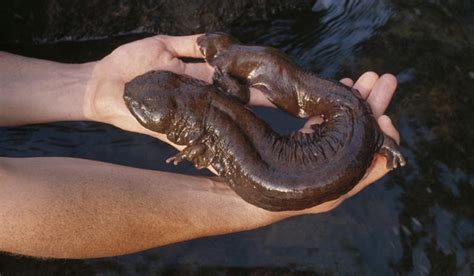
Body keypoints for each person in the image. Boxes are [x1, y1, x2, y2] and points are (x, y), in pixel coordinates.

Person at [0, 34, 401, 259]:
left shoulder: (212, 116)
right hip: (339, 137)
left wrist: (89, 85)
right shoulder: (214, 105)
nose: (130, 97)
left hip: (339, 138)